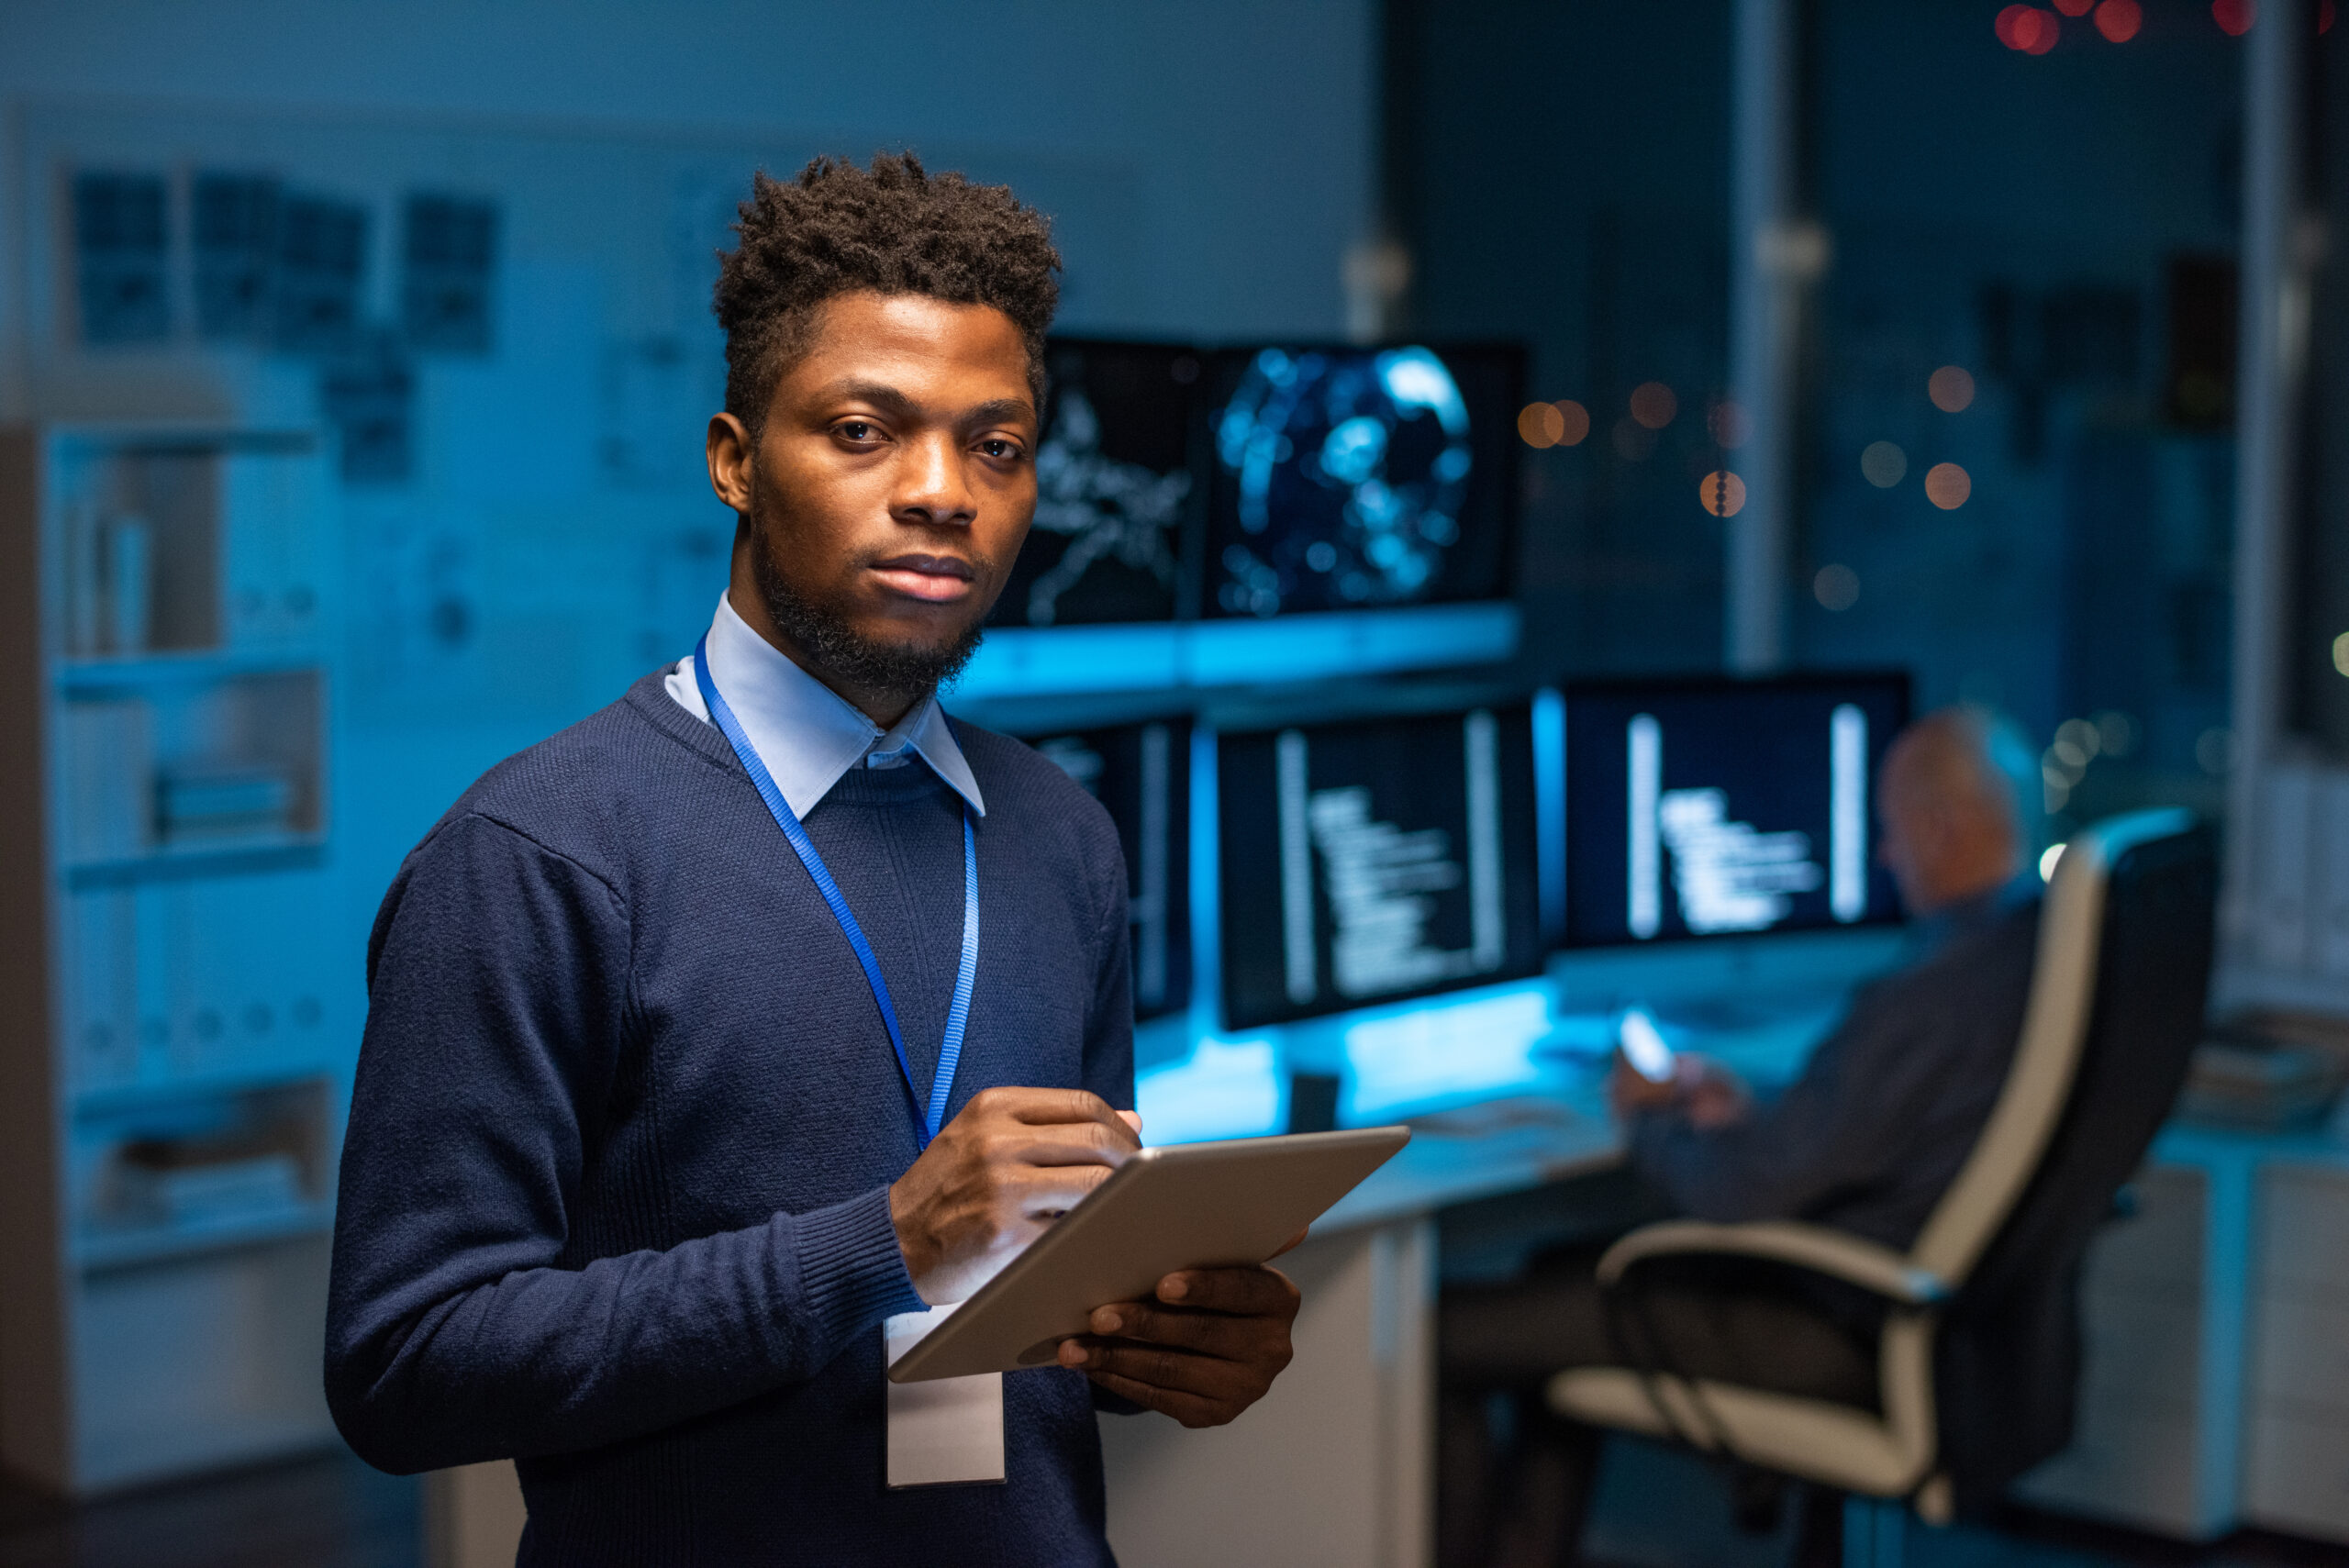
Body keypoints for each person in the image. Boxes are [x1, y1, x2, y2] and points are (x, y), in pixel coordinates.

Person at [325, 154, 1299, 1566]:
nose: (940, 492)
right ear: (733, 460)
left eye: (997, 446)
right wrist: (884, 1243)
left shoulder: (1062, 834)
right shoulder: (537, 856)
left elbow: (1055, 1281)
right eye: (863, 430)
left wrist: (1181, 1342)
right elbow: (407, 1365)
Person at [1438, 707, 2042, 1567]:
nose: (1882, 857)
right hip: (1950, 1332)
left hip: (1833, 1326)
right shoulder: (2028, 956)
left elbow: (1737, 1194)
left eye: (1889, 832)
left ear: (1940, 826)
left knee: (1437, 1334)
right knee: (1550, 1280)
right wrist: (1759, 1104)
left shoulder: (1925, 994)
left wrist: (1645, 1113)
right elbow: (1866, 1129)